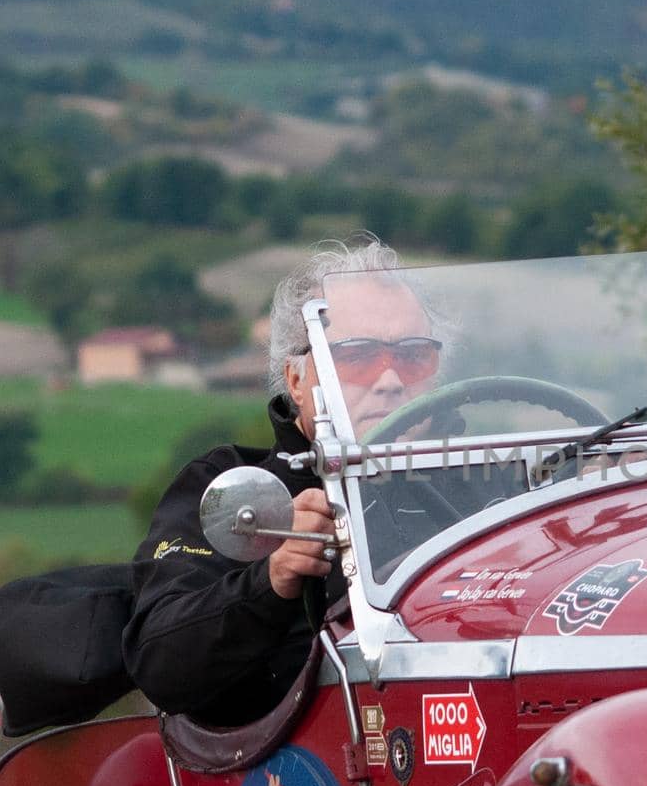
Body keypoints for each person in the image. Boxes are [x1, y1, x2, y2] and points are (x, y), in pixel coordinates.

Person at [123, 236, 439, 724]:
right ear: (296, 380)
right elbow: (161, 662)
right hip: (303, 772)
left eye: (414, 356)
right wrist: (272, 580)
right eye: (357, 356)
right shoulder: (228, 488)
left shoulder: (486, 487)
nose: (392, 379)